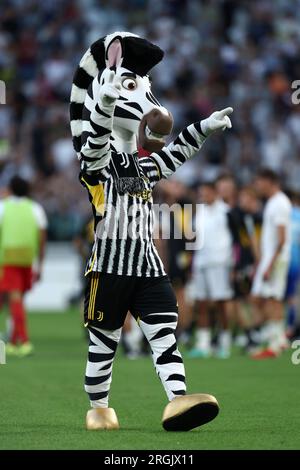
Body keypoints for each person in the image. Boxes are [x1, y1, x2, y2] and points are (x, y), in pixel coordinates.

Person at [70, 32, 233, 431]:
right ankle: (100, 407)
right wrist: (106, 102)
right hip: (108, 266)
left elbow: (176, 152)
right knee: (103, 345)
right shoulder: (97, 166)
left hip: (147, 265)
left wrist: (205, 128)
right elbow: (93, 146)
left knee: (164, 334)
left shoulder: (146, 166)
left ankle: (178, 400)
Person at [0, 176, 47, 357]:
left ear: (10, 188)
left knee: (14, 300)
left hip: (8, 258)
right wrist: (40, 264)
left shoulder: (3, 207)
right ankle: (12, 342)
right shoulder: (36, 209)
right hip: (27, 259)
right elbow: (42, 239)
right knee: (17, 300)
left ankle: (25, 342)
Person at [188, 181, 233, 359]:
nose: (203, 196)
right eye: (201, 193)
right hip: (201, 263)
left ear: (214, 192)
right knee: (202, 304)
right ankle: (203, 344)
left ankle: (224, 343)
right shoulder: (200, 211)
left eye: (206, 192)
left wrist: (232, 265)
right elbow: (195, 239)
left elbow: (234, 239)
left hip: (220, 263)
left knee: (221, 304)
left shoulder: (226, 211)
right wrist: (192, 263)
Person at [251, 169, 292, 358]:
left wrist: (269, 264)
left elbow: (282, 239)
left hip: (276, 258)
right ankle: (279, 340)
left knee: (273, 300)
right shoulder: (274, 202)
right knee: (271, 298)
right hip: (272, 258)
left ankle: (275, 344)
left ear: (269, 181)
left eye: (259, 181)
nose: (257, 185)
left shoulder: (280, 203)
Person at [285, 191, 300, 340]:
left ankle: (289, 328)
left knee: (283, 297)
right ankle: (292, 328)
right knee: (293, 297)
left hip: (285, 261)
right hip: (296, 262)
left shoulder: (285, 215)